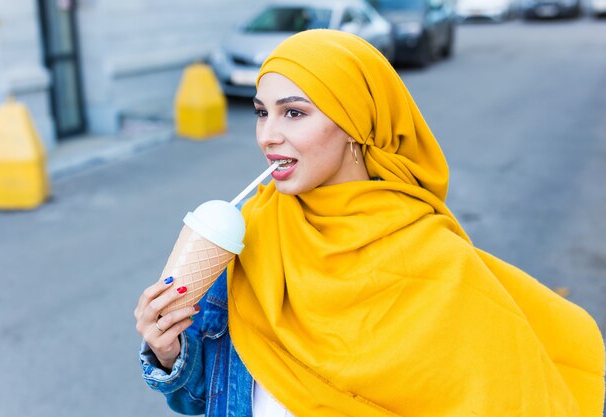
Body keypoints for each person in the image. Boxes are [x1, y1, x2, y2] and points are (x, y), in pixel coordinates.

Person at [134, 29, 605, 416]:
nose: (267, 135)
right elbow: (201, 397)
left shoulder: (433, 256)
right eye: (261, 113)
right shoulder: (241, 234)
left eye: (294, 113)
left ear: (354, 125)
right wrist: (171, 353)